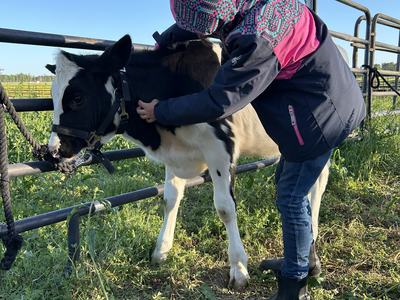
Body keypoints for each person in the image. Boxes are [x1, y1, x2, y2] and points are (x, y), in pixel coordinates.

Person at [137, 1, 366, 299]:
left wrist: (162, 111)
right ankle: (306, 261)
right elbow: (199, 18)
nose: (211, 34)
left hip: (320, 115)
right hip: (326, 98)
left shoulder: (257, 38)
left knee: (291, 197)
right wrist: (165, 42)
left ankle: (294, 286)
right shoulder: (244, 5)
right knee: (290, 183)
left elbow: (221, 100)